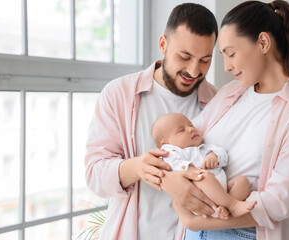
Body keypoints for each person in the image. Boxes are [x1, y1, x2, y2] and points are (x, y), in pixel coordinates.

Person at [161, 1, 289, 239]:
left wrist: (195, 219)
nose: (227, 66)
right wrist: (172, 182)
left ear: (263, 42)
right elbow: (178, 149)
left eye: (231, 54)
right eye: (223, 56)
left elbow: (279, 201)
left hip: (245, 233)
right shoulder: (230, 93)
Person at [85, 3, 219, 239]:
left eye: (205, 60)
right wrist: (138, 167)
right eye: (184, 56)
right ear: (163, 44)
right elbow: (95, 174)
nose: (194, 70)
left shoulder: (217, 103)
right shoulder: (119, 94)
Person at [152, 113, 257, 220]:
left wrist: (214, 156)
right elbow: (172, 164)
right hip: (201, 197)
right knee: (203, 177)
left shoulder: (205, 148)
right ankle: (233, 205)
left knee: (242, 181)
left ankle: (225, 209)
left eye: (191, 125)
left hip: (223, 190)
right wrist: (192, 170)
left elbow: (223, 155)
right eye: (181, 130)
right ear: (166, 144)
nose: (190, 129)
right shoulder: (172, 152)